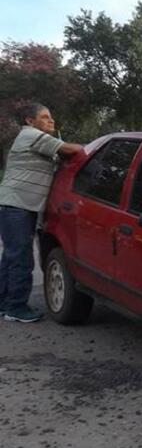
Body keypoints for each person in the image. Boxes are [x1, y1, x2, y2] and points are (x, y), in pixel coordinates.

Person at [0, 103, 83, 323]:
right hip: (17, 207)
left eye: (51, 116)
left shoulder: (35, 140)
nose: (51, 121)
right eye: (45, 117)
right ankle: (16, 308)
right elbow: (72, 150)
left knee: (11, 257)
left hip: (16, 206)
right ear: (29, 120)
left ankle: (4, 302)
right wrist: (94, 148)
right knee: (21, 259)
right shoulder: (31, 135)